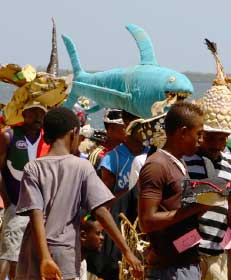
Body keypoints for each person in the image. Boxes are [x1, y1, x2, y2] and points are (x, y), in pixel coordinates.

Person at [14, 107, 142, 279]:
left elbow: (35, 213)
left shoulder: (33, 167)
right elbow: (101, 211)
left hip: (34, 250)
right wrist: (127, 251)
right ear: (73, 133)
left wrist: (44, 257)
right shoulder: (82, 167)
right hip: (63, 252)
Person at [138, 102, 213, 279]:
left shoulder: (179, 163)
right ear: (183, 132)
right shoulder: (157, 165)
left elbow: (179, 211)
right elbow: (147, 221)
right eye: (199, 134)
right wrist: (197, 207)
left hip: (184, 265)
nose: (201, 140)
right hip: (170, 271)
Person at [182, 95, 231, 279]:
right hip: (189, 252)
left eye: (222, 139)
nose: (216, 145)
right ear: (200, 136)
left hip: (219, 253)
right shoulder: (185, 160)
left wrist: (227, 245)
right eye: (210, 138)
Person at [87, 111, 146, 279]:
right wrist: (132, 191)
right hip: (122, 226)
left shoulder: (151, 153)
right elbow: (104, 201)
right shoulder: (112, 159)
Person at [0, 102, 48, 280]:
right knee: (8, 254)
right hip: (16, 205)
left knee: (29, 256)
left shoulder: (48, 139)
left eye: (41, 112)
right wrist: (8, 202)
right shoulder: (9, 136)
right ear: (23, 113)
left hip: (40, 209)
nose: (37, 117)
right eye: (33, 112)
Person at [80, 214, 104, 280]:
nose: (102, 237)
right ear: (83, 236)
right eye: (98, 233)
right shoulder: (68, 262)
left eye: (102, 233)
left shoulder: (83, 263)